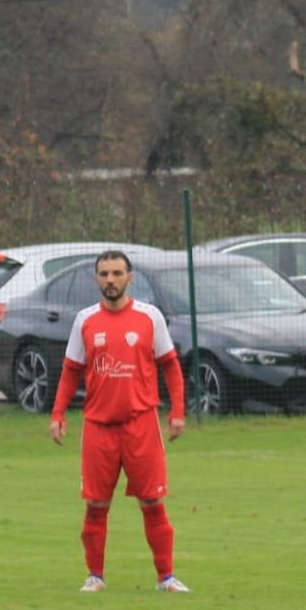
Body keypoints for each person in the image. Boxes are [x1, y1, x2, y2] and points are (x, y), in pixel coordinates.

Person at [48, 249, 188, 592]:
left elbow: (170, 364)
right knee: (96, 505)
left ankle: (166, 578)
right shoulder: (85, 321)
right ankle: (95, 576)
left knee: (153, 502)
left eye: (117, 273)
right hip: (98, 426)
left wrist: (178, 412)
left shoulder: (149, 317)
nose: (110, 280)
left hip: (141, 424)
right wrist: (57, 414)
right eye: (104, 274)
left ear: (130, 277)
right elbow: (70, 372)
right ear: (97, 279)